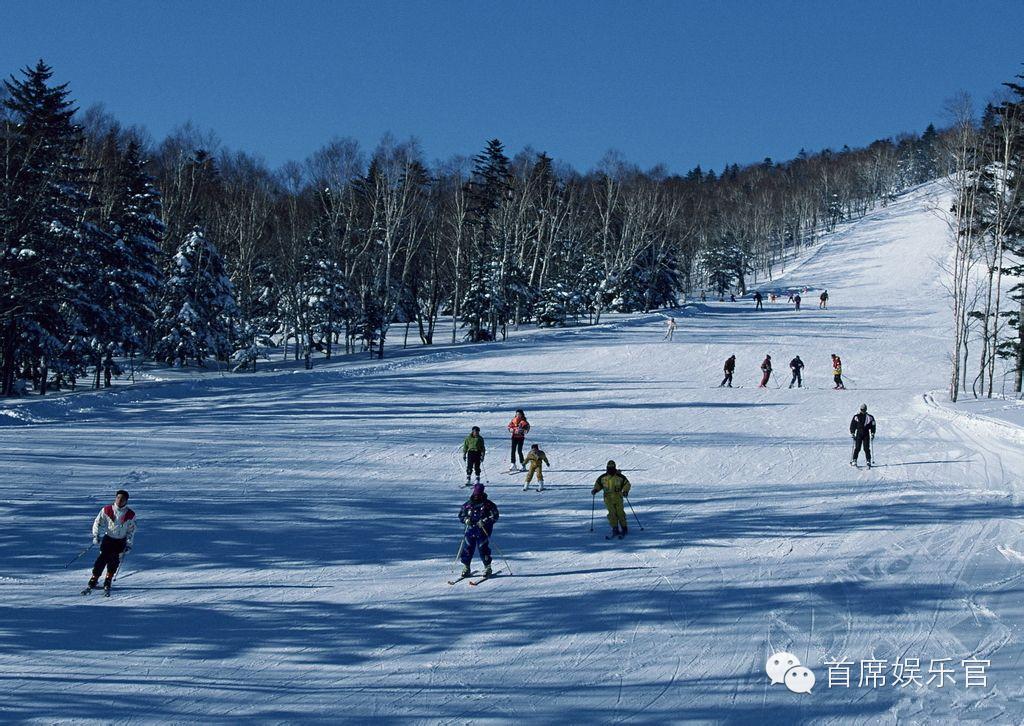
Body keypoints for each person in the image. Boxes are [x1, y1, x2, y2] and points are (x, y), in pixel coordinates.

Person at [86, 489, 136, 594]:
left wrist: (128, 544)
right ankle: (94, 577)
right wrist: (96, 535)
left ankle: (108, 579)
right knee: (102, 559)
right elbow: (98, 522)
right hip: (108, 539)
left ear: (126, 501)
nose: (119, 500)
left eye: (122, 499)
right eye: (118, 498)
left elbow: (131, 530)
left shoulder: (130, 514)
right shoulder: (107, 509)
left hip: (120, 541)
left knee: (114, 560)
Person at [458, 483, 499, 577]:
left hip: (483, 531)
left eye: (478, 494)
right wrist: (466, 520)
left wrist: (485, 521)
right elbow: (461, 514)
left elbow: (495, 516)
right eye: (475, 494)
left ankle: (487, 567)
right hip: (470, 530)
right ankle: (466, 567)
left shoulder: (488, 505)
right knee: (467, 548)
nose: (476, 496)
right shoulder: (468, 504)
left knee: (483, 548)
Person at [592, 460, 631, 538]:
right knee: (612, 513)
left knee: (620, 513)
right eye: (609, 468)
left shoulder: (620, 477)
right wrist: (595, 490)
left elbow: (627, 484)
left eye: (612, 468)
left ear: (615, 468)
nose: (610, 469)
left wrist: (625, 491)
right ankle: (615, 528)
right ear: (607, 468)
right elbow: (598, 484)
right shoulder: (603, 477)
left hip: (618, 498)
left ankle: (624, 527)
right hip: (608, 498)